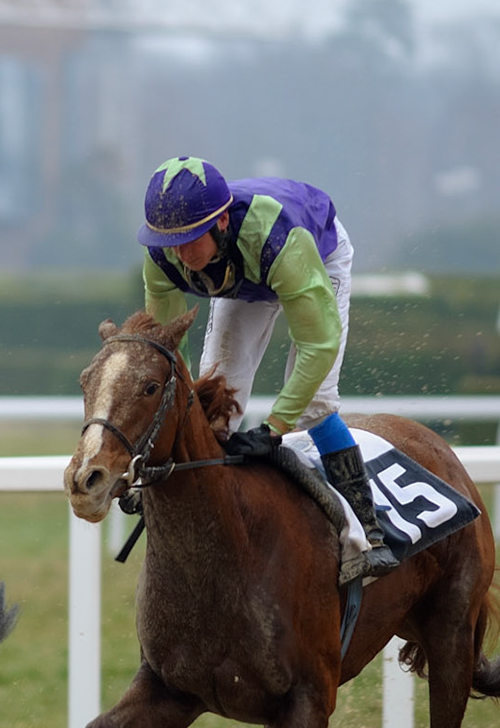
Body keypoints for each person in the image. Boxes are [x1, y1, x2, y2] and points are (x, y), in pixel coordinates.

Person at [137, 155, 399, 577]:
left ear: (221, 223)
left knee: (314, 401)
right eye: (170, 242)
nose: (180, 255)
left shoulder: (280, 240)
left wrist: (274, 428)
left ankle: (368, 532)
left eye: (190, 239)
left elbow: (319, 343)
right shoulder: (162, 255)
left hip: (312, 255)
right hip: (244, 273)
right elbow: (169, 351)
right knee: (217, 395)